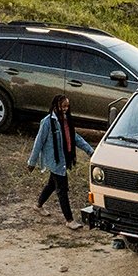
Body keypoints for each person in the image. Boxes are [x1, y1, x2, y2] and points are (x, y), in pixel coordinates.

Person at [28, 93, 93, 229]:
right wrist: (32, 162)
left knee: (52, 184)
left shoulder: (66, 120)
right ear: (56, 106)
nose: (65, 109)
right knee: (62, 189)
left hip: (63, 159)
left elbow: (75, 138)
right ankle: (69, 220)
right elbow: (38, 142)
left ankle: (38, 205)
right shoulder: (47, 122)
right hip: (55, 160)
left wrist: (90, 150)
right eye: (63, 106)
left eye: (67, 106)